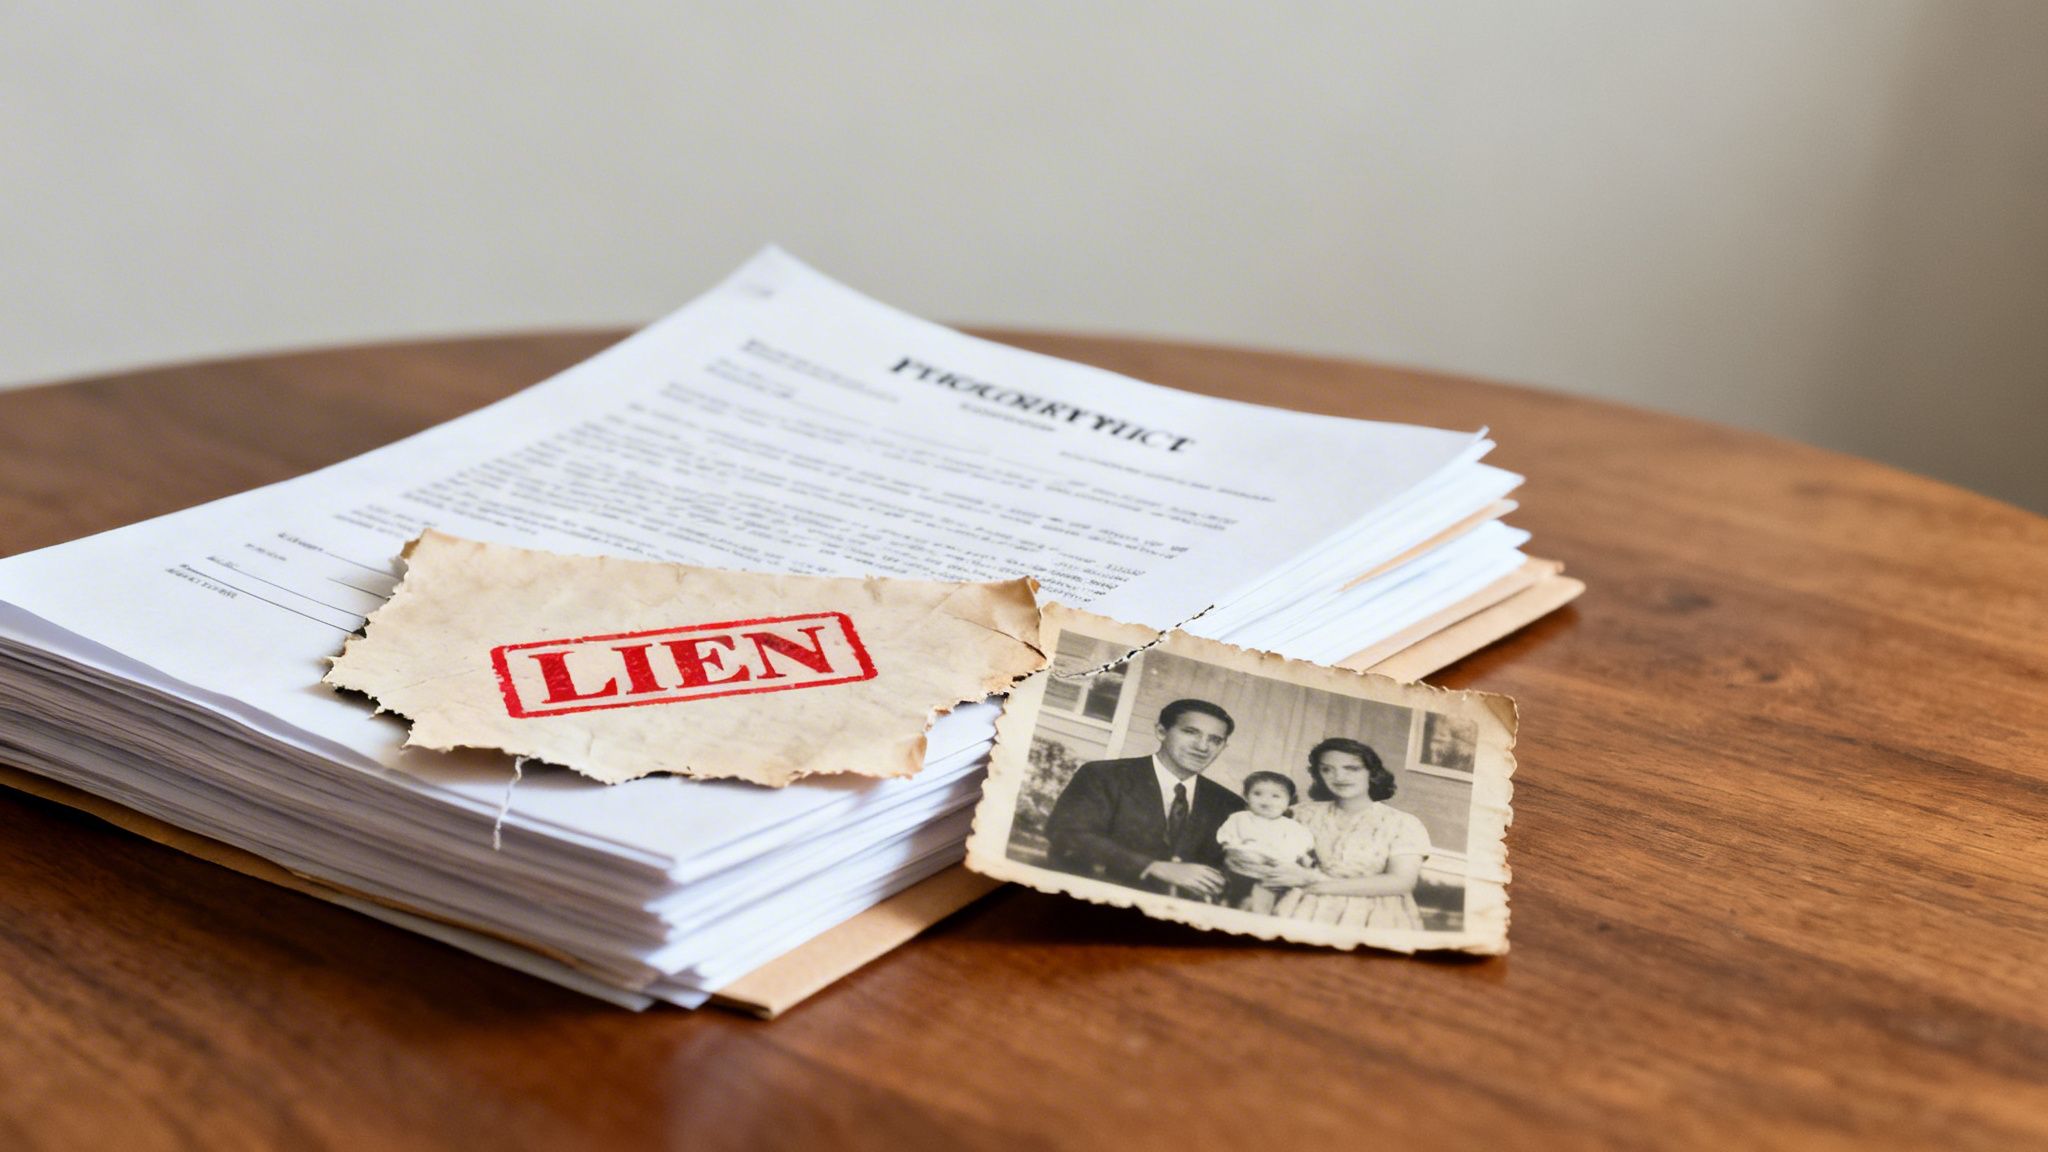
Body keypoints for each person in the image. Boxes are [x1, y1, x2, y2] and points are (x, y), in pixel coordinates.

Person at [1043, 698, 1245, 900]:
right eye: (1190, 732)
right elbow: (1066, 833)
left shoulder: (1230, 804)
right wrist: (1151, 866)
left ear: (1223, 747)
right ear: (1161, 732)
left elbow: (1234, 866)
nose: (1202, 747)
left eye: (1215, 740)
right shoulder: (1104, 775)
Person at [1232, 737, 1431, 930]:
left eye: (1351, 768)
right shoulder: (1301, 814)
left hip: (1374, 918)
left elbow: (1401, 881)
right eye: (1327, 769)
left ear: (1372, 773)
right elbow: (1269, 860)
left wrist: (1313, 881)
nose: (1339, 777)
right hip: (1297, 911)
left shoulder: (1403, 823)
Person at [1215, 771, 1317, 914]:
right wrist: (1236, 851)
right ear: (1246, 796)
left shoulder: (1292, 827)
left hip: (1273, 871)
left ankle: (1256, 910)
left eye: (1276, 796)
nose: (1266, 800)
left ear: (1289, 802)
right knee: (1227, 895)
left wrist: (1287, 862)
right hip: (1240, 866)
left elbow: (1300, 851)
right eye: (1257, 794)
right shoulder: (1239, 819)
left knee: (1265, 898)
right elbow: (1226, 840)